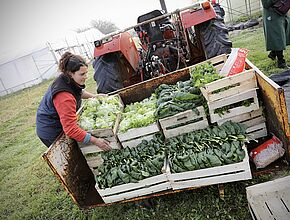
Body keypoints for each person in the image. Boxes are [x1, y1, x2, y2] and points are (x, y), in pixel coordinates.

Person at [36, 52, 111, 151]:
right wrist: (96, 141)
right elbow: (70, 129)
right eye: (82, 74)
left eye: (86, 72)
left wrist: (94, 96)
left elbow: (78, 92)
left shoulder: (68, 80)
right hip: (51, 130)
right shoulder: (64, 97)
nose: (86, 76)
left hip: (61, 124)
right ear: (71, 73)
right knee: (68, 153)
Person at [261, 0, 290, 68]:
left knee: (284, 34)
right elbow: (265, 4)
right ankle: (281, 61)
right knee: (277, 36)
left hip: (282, 12)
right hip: (272, 14)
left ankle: (273, 53)